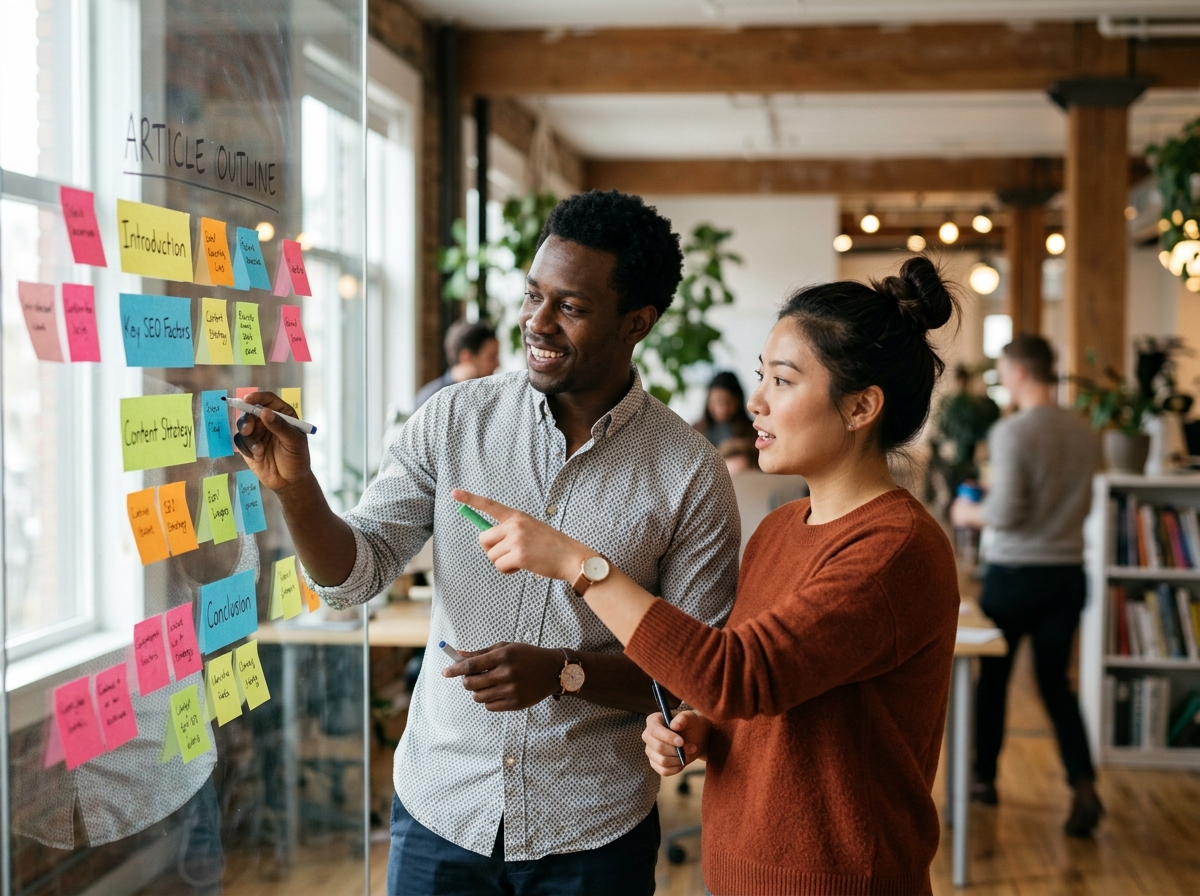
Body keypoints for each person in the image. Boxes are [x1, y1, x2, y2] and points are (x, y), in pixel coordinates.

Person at [232, 190, 740, 896]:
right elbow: (353, 576)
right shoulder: (451, 420)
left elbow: (693, 674)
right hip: (442, 807)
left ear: (637, 323)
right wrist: (295, 489)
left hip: (592, 831)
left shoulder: (689, 473)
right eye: (533, 295)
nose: (536, 321)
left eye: (571, 306)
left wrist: (568, 671)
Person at [456, 255, 962, 896]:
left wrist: (578, 565)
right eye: (761, 377)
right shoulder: (782, 529)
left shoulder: (896, 550)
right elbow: (756, 694)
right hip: (737, 870)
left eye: (782, 381)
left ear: (861, 406)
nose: (755, 402)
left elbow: (738, 675)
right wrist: (703, 730)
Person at [950, 333, 1104, 837]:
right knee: (1057, 685)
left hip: (1016, 576)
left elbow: (1007, 513)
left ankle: (983, 779)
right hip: (1066, 573)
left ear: (1019, 372)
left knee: (992, 682)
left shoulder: (1012, 432)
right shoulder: (1084, 431)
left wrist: (968, 511)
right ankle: (1084, 787)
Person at [413, 320, 500, 409]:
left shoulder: (489, 396)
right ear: (466, 358)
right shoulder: (431, 401)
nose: (497, 364)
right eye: (491, 357)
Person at [694, 371, 755, 447]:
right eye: (715, 401)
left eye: (727, 402)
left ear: (738, 401)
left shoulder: (752, 431)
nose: (721, 408)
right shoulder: (696, 430)